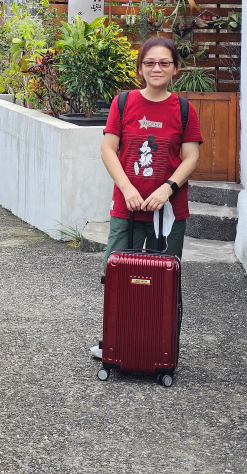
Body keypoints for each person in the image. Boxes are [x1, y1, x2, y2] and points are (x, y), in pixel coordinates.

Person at [90, 36, 202, 359]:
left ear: (175, 69)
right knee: (116, 275)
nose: (157, 68)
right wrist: (127, 188)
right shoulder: (123, 102)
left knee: (163, 280)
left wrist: (167, 188)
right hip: (126, 210)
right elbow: (107, 149)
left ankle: (158, 347)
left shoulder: (183, 110)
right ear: (140, 68)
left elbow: (191, 157)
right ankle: (114, 342)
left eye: (164, 63)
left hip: (169, 213)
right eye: (150, 63)